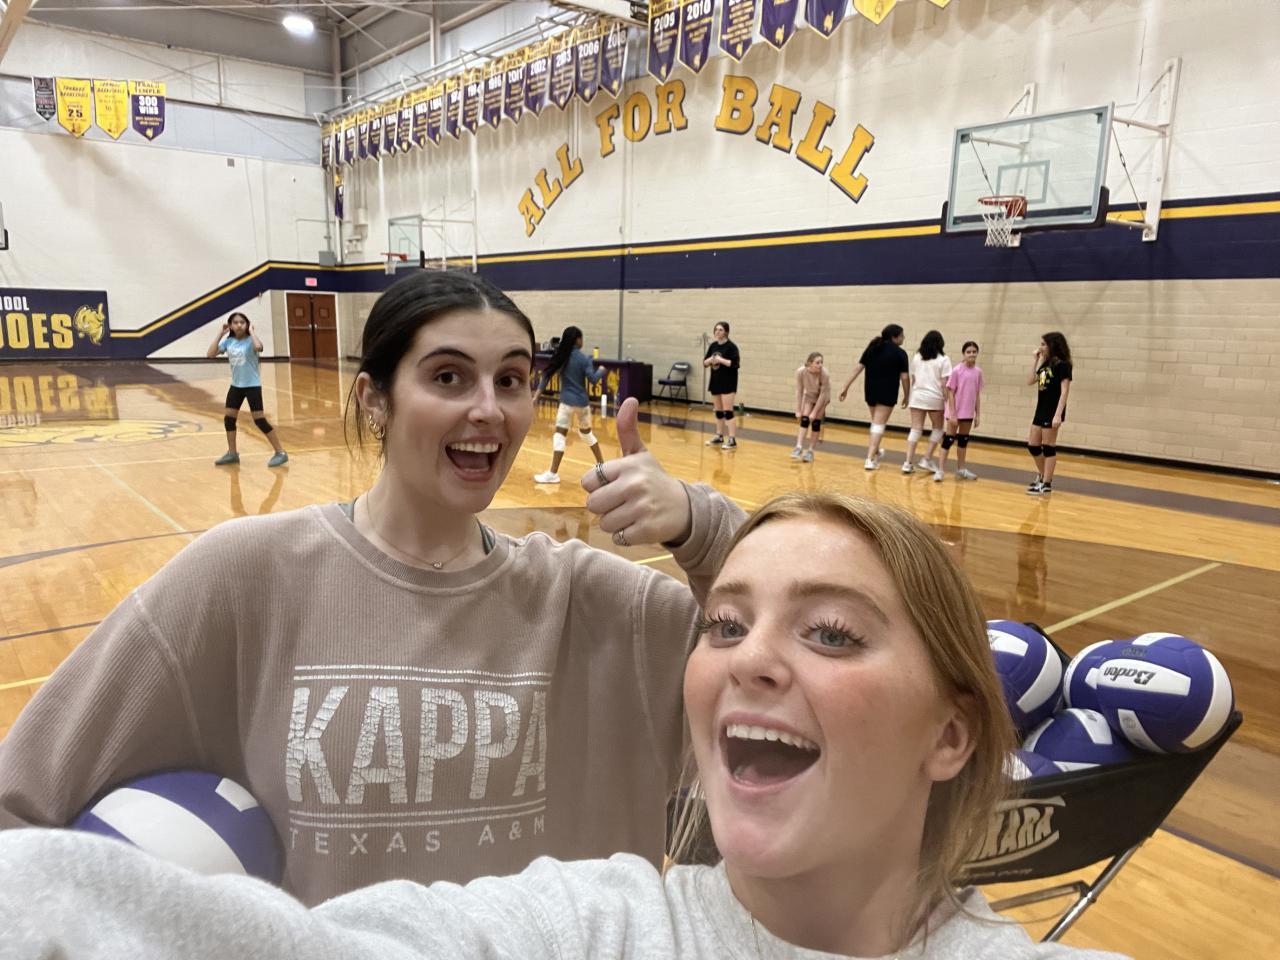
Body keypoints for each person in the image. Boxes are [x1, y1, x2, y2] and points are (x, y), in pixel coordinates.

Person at [0, 492, 1127, 960]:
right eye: (723, 626)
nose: (750, 660)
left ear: (952, 735)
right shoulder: (589, 928)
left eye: (831, 633)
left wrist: (694, 518)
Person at [0, 271, 745, 906]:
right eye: (448, 377)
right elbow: (21, 801)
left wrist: (701, 527)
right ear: (374, 399)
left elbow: (790, 648)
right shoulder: (245, 575)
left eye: (511, 380)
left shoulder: (599, 604)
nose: (489, 409)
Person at [206, 312, 288, 467]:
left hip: (252, 386)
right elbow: (210, 354)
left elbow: (259, 347)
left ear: (247, 324)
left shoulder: (251, 340)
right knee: (229, 419)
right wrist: (220, 333)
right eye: (235, 322)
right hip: (236, 386)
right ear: (230, 326)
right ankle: (232, 453)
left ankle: (280, 452)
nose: (239, 325)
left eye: (242, 322)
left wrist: (252, 332)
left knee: (259, 420)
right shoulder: (228, 341)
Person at [533, 324, 605, 484]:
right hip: (582, 404)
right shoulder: (585, 359)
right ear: (577, 340)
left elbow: (546, 376)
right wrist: (601, 370)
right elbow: (593, 379)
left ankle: (553, 473)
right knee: (586, 434)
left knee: (560, 435)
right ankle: (602, 465)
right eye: (581, 338)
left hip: (566, 403)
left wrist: (536, 396)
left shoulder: (562, 357)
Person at [839, 323, 910, 471]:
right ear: (894, 337)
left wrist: (845, 387)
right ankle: (869, 459)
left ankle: (876, 451)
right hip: (888, 392)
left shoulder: (873, 348)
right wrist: (907, 395)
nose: (904, 338)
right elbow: (904, 378)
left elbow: (858, 368)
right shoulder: (900, 353)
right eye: (902, 335)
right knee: (878, 425)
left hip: (871, 390)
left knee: (876, 424)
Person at [1027, 331, 1073, 496]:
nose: (1040, 347)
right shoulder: (1046, 363)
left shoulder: (1064, 365)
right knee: (1033, 445)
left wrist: (1058, 414)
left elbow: (1065, 391)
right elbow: (1030, 381)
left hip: (1053, 411)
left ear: (1052, 345)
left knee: (1048, 447)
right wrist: (1035, 360)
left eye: (1043, 344)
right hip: (1041, 409)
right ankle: (1043, 476)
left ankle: (1046, 483)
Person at [904, 330, 952, 476]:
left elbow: (913, 379)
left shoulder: (917, 357)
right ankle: (926, 458)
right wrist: (948, 401)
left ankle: (907, 463)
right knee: (938, 429)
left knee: (915, 429)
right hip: (935, 397)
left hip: (917, 396)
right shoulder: (944, 359)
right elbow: (944, 384)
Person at [937, 341, 984, 482]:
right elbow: (950, 392)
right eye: (969, 352)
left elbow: (977, 394)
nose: (972, 354)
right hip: (955, 413)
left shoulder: (978, 372)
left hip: (967, 413)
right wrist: (952, 414)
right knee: (948, 440)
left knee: (963, 441)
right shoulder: (957, 370)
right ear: (964, 354)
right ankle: (940, 470)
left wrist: (978, 414)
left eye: (974, 352)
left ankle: (961, 469)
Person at [703, 322, 740, 449]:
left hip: (728, 382)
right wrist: (710, 360)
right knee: (718, 411)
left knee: (727, 411)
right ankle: (719, 436)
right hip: (716, 381)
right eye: (716, 329)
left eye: (720, 330)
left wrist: (720, 360)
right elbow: (705, 362)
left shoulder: (731, 347)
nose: (717, 332)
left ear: (726, 332)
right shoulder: (713, 346)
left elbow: (735, 364)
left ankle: (732, 439)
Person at [791, 352, 830, 463]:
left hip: (822, 397)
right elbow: (799, 391)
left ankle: (810, 451)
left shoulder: (824, 374)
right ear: (810, 363)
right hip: (809, 395)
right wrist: (798, 409)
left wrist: (814, 412)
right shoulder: (801, 372)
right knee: (804, 419)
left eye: (821, 362)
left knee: (816, 422)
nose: (820, 365)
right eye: (817, 363)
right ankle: (798, 447)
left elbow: (823, 395)